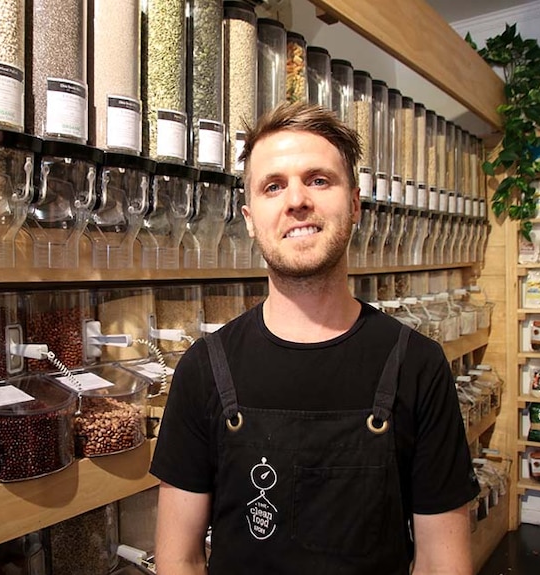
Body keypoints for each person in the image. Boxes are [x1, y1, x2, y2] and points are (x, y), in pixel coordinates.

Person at [149, 102, 480, 574]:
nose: (296, 200)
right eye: (273, 186)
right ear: (248, 218)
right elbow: (178, 559)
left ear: (356, 205)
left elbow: (441, 564)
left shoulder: (418, 366)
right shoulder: (203, 368)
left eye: (319, 180)